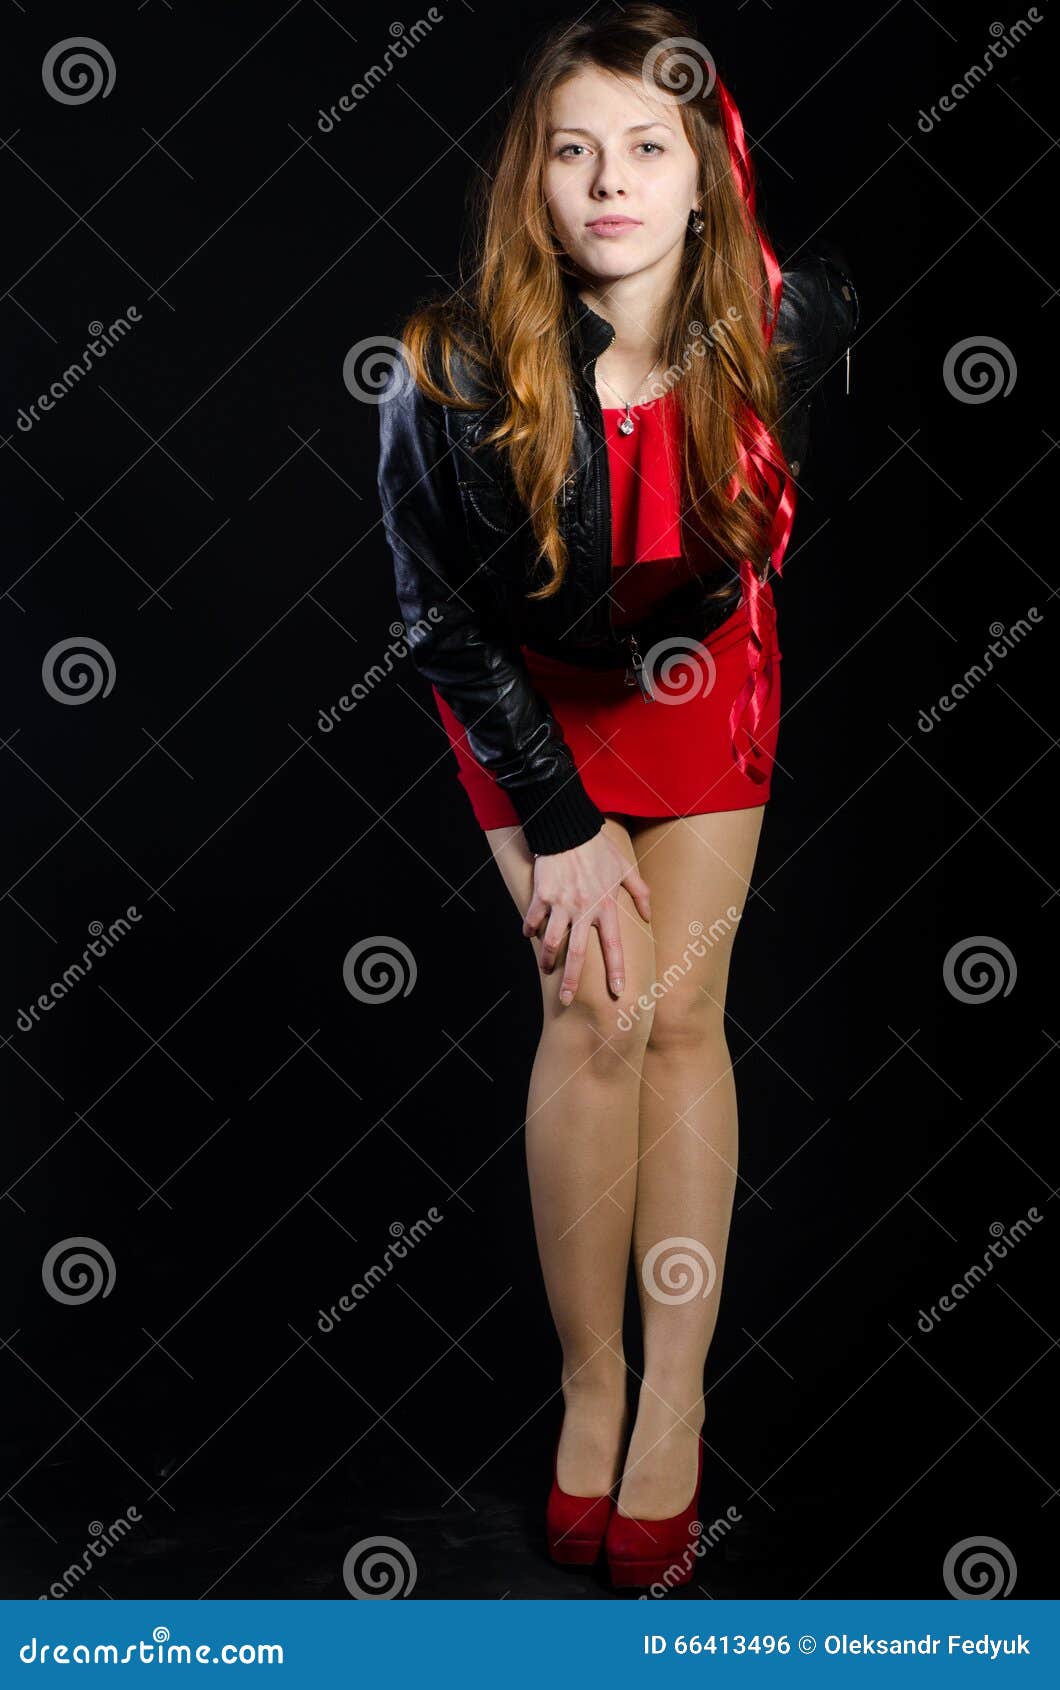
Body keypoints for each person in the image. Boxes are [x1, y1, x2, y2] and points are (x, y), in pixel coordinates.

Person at [376, 4, 857, 1589]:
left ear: (703, 176)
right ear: (536, 178)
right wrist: (562, 824)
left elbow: (738, 555)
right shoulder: (447, 364)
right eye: (572, 152)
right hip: (526, 704)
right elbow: (440, 618)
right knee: (591, 1012)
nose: (608, 184)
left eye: (644, 149)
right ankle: (592, 1392)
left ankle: (675, 1409)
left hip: (699, 679)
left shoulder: (790, 324)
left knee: (678, 1012)